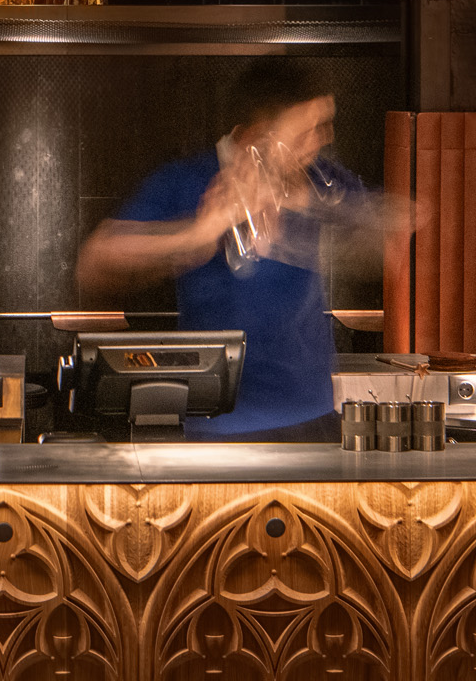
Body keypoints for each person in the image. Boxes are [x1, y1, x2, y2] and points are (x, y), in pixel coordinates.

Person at [75, 57, 377, 442]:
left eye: (325, 126)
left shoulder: (319, 180)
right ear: (257, 136)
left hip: (314, 417)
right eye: (307, 131)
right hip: (219, 427)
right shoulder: (189, 180)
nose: (322, 140)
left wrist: (313, 207)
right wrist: (198, 235)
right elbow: (95, 263)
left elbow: (380, 241)